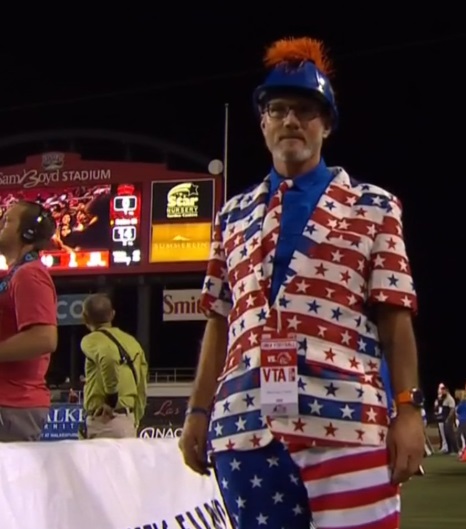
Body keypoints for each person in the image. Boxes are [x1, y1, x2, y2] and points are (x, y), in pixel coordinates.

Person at [179, 36, 423, 529]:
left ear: (326, 124)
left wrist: (408, 410)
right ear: (263, 122)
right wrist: (197, 411)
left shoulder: (374, 205)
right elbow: (217, 322)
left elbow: (394, 316)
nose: (291, 120)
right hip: (244, 426)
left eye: (306, 111)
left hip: (348, 418)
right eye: (279, 109)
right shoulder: (230, 216)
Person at [0, 201, 58, 442]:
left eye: (7, 222)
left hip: (11, 405)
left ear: (27, 233)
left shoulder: (29, 274)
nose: (0, 226)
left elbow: (43, 338)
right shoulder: (18, 274)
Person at [80, 293, 148, 438]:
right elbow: (142, 383)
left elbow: (108, 357)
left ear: (85, 317)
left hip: (105, 420)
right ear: (112, 315)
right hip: (127, 420)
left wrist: (111, 400)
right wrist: (135, 417)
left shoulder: (90, 340)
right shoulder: (132, 342)